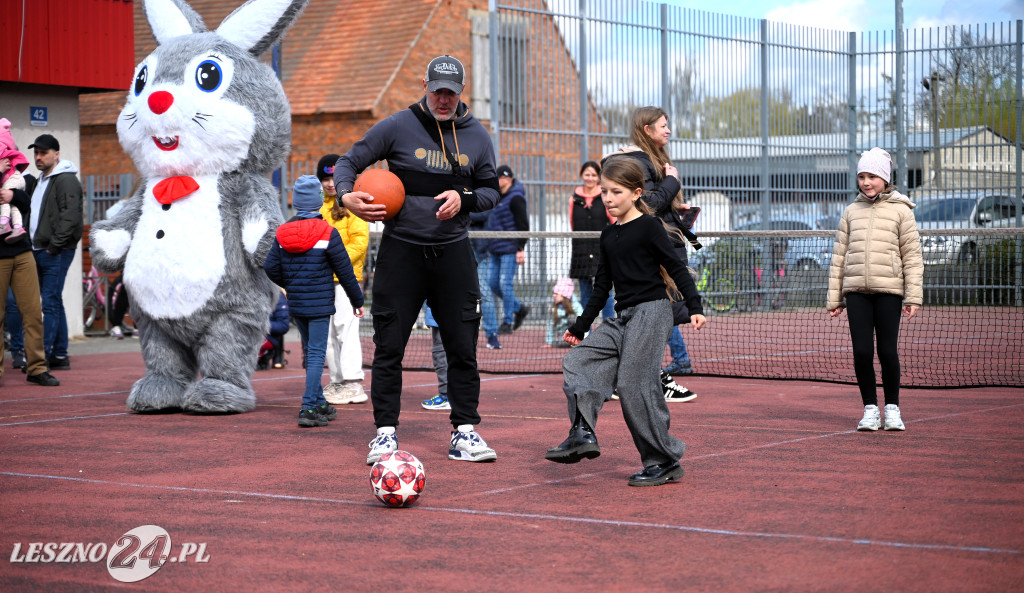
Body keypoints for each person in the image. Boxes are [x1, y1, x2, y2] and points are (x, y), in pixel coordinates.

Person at [335, 54, 501, 465]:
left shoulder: (477, 136)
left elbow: (491, 192)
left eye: (451, 92)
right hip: (401, 251)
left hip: (453, 253)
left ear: (462, 92)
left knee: (463, 347)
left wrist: (463, 198)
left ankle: (464, 432)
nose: (443, 99)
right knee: (389, 346)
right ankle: (385, 434)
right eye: (437, 90)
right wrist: (345, 195)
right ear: (425, 86)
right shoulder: (397, 125)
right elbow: (348, 162)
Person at [544, 158, 706, 486]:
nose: (607, 197)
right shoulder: (608, 235)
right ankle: (582, 432)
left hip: (653, 312)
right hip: (624, 317)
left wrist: (695, 305)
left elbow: (675, 267)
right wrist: (580, 326)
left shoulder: (648, 226)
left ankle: (663, 460)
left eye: (615, 191)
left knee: (633, 384)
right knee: (578, 360)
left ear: (635, 193)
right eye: (604, 191)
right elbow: (602, 286)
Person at [828, 148, 922, 432]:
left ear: (884, 177)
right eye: (862, 176)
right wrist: (835, 298)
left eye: (872, 176)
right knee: (861, 352)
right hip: (856, 292)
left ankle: (892, 409)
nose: (867, 182)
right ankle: (870, 409)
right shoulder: (850, 211)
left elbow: (912, 256)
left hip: (889, 292)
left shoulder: (901, 211)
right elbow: (839, 258)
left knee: (887, 352)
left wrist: (913, 296)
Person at [605, 107, 699, 384]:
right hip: (650, 248)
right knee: (651, 313)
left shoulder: (650, 161)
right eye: (663, 126)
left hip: (658, 243)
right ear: (647, 130)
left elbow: (656, 204)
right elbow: (648, 204)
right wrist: (672, 182)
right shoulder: (638, 162)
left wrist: (674, 207)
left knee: (660, 312)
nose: (668, 130)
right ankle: (637, 374)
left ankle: (645, 373)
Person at [263, 175, 365, 428]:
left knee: (311, 351)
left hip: (298, 301)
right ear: (319, 202)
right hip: (320, 302)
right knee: (318, 353)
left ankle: (319, 401)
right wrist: (357, 300)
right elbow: (344, 271)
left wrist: (290, 284)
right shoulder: (327, 232)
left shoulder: (283, 231)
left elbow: (270, 267)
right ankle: (309, 405)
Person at [316, 154, 370, 405]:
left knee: (345, 329)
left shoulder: (353, 205)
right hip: (323, 278)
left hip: (347, 280)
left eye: (333, 178)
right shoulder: (318, 207)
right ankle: (337, 382)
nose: (329, 183)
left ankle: (353, 383)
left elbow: (360, 242)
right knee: (327, 333)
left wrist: (333, 261)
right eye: (325, 178)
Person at [26, 134, 83, 371]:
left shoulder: (65, 180)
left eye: (44, 153)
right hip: (40, 248)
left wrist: (54, 246)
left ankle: (43, 356)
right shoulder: (42, 179)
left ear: (56, 154)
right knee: (54, 300)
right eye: (36, 153)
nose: (39, 157)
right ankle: (59, 354)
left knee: (49, 302)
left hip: (54, 251)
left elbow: (70, 216)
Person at [0, 170, 59, 387]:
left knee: (33, 312)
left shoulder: (14, 176)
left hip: (23, 252)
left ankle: (37, 368)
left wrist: (12, 195)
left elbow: (25, 204)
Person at [484, 165, 530, 337]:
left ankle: (507, 321)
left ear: (509, 179)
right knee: (492, 283)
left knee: (505, 284)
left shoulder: (516, 198)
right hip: (494, 248)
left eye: (504, 178)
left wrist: (521, 248)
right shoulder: (495, 198)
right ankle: (520, 308)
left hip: (511, 249)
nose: (501, 181)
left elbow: (523, 225)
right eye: (499, 178)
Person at [569, 160, 614, 321]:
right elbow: (573, 224)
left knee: (606, 293)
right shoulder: (573, 198)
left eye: (593, 175)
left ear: (599, 177)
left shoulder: (605, 196)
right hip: (581, 251)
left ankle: (609, 327)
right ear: (582, 175)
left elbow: (614, 221)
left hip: (602, 250)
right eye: (587, 174)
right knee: (585, 295)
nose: (590, 178)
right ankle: (585, 331)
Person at [0, 119, 30, 242]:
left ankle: (4, 223)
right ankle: (18, 227)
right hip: (17, 179)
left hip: (14, 179)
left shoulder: (3, 150)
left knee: (5, 197)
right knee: (12, 204)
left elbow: (27, 203)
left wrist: (13, 195)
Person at [420, 303, 451, 410]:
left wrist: (430, 317)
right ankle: (462, 395)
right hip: (466, 311)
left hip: (443, 311)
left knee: (440, 351)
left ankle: (446, 396)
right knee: (461, 351)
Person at [543, 277, 581, 348]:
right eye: (553, 293)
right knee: (560, 343)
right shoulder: (554, 308)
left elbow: (584, 324)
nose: (553, 295)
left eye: (556, 293)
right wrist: (549, 342)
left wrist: (583, 341)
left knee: (572, 317)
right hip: (564, 338)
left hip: (578, 337)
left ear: (564, 295)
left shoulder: (576, 306)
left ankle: (577, 341)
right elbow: (551, 326)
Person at [257, 290, 290, 370]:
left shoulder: (278, 296)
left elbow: (283, 325)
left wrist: (261, 325)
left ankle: (268, 356)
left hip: (267, 336)